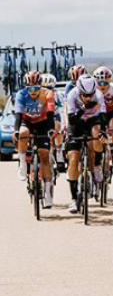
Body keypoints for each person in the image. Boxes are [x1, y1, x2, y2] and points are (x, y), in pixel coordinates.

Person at [12, 71, 56, 208]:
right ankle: (23, 163)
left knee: (44, 157)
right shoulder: (21, 94)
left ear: (40, 86)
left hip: (43, 123)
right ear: (26, 87)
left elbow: (50, 114)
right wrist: (16, 130)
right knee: (23, 133)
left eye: (36, 88)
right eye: (30, 88)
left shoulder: (48, 94)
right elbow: (18, 115)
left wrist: (51, 129)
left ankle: (48, 193)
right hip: (27, 121)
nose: (33, 91)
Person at [64, 75, 107, 212]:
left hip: (92, 122)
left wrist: (103, 132)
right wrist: (83, 108)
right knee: (73, 158)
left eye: (91, 95)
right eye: (85, 95)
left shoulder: (98, 95)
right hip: (76, 123)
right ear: (79, 91)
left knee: (97, 134)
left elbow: (103, 116)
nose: (88, 97)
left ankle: (96, 165)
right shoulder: (72, 95)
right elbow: (72, 120)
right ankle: (73, 199)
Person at [93, 67, 113, 171]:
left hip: (111, 112)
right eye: (99, 83)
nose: (102, 85)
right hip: (98, 113)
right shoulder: (92, 89)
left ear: (109, 80)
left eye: (105, 83)